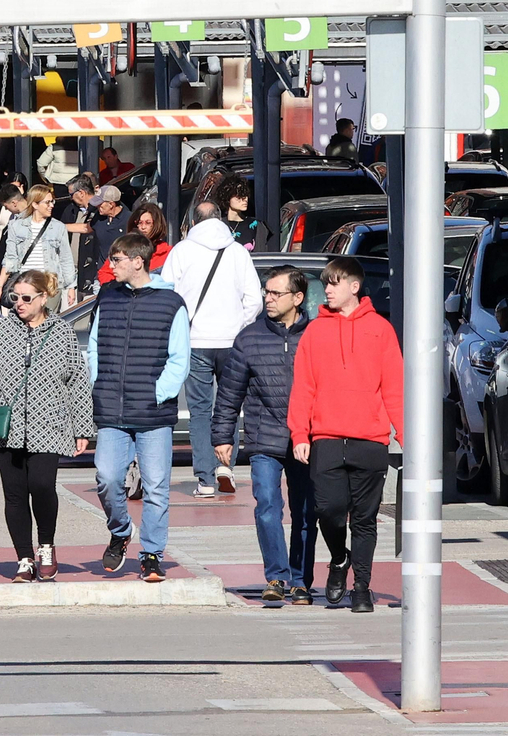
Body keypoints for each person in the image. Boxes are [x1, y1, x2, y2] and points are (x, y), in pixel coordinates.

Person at [0, 269, 92, 581]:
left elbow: (77, 383)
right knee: (14, 494)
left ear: (44, 299)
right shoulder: (1, 333)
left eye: (26, 298)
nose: (19, 303)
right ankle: (25, 558)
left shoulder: (61, 333)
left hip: (50, 425)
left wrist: (82, 428)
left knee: (42, 486)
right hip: (8, 427)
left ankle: (46, 545)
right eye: (14, 297)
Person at [288, 256, 403, 614]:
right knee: (329, 510)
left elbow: (395, 388)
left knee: (365, 519)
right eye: (327, 283)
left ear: (355, 286)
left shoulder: (381, 329)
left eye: (335, 283)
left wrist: (406, 434)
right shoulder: (315, 331)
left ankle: (362, 589)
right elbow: (303, 386)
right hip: (326, 437)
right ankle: (339, 559)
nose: (328, 289)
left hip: (370, 439)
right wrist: (299, 433)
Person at [89, 234, 190, 582]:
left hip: (153, 412)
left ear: (137, 261)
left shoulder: (171, 302)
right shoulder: (108, 296)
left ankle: (151, 553)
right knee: (107, 476)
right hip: (112, 408)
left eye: (116, 259)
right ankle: (120, 531)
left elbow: (180, 359)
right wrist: (96, 383)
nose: (110, 266)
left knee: (157, 485)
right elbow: (94, 345)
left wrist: (158, 393)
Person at [212, 266, 315, 604]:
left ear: (297, 298)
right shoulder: (250, 338)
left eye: (275, 293)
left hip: (307, 440)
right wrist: (222, 436)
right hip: (263, 436)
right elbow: (229, 392)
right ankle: (277, 576)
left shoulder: (315, 335)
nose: (267, 299)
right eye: (266, 292)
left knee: (305, 511)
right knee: (268, 506)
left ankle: (301, 580)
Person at [160, 201, 261, 497]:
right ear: (220, 219)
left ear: (193, 221)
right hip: (232, 342)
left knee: (201, 411)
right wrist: (239, 326)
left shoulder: (181, 251)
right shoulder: (237, 252)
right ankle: (225, 466)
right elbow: (254, 298)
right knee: (228, 407)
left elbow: (168, 296)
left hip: (194, 341)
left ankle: (204, 479)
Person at [0, 185, 75, 308]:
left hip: (49, 284)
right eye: (47, 202)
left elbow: (65, 259)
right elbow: (10, 259)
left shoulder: (58, 227)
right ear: (34, 204)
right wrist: (0, 287)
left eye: (52, 201)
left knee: (47, 323)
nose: (52, 205)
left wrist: (70, 286)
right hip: (24, 284)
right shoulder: (16, 226)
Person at [96, 203, 171, 285]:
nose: (143, 227)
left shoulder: (168, 253)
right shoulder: (123, 249)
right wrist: (118, 289)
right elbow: (104, 273)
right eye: (139, 223)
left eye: (148, 223)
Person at [84, 185, 130, 293]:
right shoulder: (99, 217)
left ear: (111, 204)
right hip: (102, 276)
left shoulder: (129, 219)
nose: (98, 206)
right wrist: (60, 226)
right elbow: (86, 228)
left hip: (123, 278)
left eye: (100, 204)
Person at [219, 176, 258, 249]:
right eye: (239, 195)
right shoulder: (218, 225)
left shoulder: (255, 225)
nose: (245, 199)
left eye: (246, 194)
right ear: (227, 197)